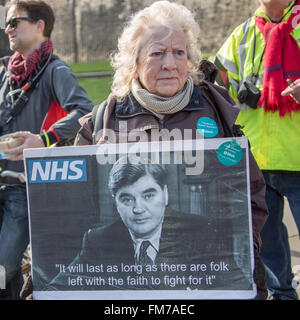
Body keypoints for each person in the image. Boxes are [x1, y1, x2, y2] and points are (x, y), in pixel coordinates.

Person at [73, 1, 269, 299]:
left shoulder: (217, 114)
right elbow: (72, 210)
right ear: (134, 62)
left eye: (179, 52)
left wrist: (242, 255)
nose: (169, 63)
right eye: (157, 53)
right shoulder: (102, 122)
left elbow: (250, 196)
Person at [0, 0, 93, 299]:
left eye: (14, 22)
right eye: (6, 24)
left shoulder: (56, 70)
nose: (8, 29)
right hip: (2, 182)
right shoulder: (5, 72)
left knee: (2, 266)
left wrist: (45, 138)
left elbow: (84, 110)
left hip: (26, 187)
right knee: (6, 272)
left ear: (39, 25)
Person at [48, 156, 252, 292]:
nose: (138, 209)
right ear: (115, 202)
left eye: (148, 195)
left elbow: (238, 285)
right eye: (127, 199)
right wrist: (38, 287)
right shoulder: (98, 241)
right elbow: (59, 286)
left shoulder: (202, 231)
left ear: (165, 194)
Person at [215, 0, 300, 300]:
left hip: (297, 155)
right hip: (258, 158)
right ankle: (282, 295)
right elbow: (217, 81)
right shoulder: (244, 33)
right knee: (268, 242)